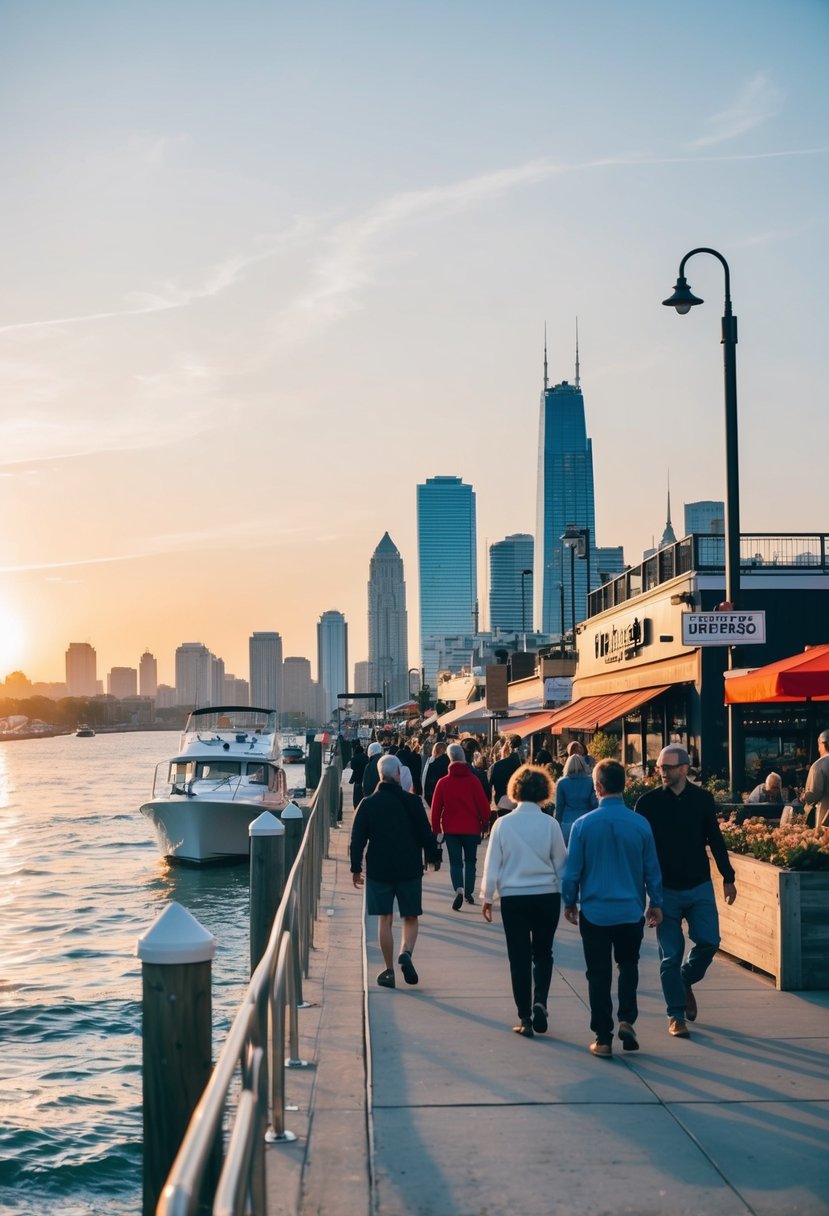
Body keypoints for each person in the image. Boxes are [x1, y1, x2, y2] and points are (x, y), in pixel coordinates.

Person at [562, 760, 663, 1058]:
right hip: (630, 909)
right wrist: (656, 902)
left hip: (595, 911)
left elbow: (572, 872)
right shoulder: (641, 824)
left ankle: (603, 1037)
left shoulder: (582, 826)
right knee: (628, 965)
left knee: (598, 973)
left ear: (599, 787)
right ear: (624, 785)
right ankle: (627, 1018)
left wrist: (569, 901)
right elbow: (652, 870)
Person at [635, 745, 737, 1038]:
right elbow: (639, 849)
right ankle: (675, 1015)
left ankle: (685, 979)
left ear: (684, 768)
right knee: (671, 955)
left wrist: (728, 877)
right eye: (659, 768)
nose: (662, 773)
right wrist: (643, 891)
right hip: (664, 889)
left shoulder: (702, 799)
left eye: (667, 768)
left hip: (699, 884)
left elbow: (715, 839)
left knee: (709, 941)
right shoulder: (647, 803)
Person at [480, 765, 567, 1037]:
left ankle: (525, 1017)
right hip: (546, 896)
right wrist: (570, 896)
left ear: (514, 791)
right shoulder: (550, 824)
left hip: (514, 897)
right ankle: (540, 1000)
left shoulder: (503, 824)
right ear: (544, 792)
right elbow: (562, 864)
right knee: (543, 952)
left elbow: (493, 862)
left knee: (518, 957)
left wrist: (487, 896)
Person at [350, 754, 441, 988]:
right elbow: (425, 832)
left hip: (380, 868)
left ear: (381, 775)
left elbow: (357, 838)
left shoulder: (368, 803)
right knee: (411, 916)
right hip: (409, 866)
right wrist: (433, 857)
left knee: (385, 919)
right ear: (397, 775)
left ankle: (389, 971)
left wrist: (355, 868)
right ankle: (406, 953)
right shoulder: (412, 802)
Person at [431, 743, 491, 909]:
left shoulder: (443, 783)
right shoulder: (474, 781)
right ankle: (469, 892)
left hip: (451, 829)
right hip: (471, 828)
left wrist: (436, 830)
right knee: (470, 861)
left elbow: (435, 810)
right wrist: (485, 823)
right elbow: (484, 807)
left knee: (455, 862)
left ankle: (458, 888)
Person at [554, 753, 598, 843]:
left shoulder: (561, 783)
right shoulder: (590, 781)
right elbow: (594, 803)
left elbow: (559, 808)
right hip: (586, 821)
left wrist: (556, 825)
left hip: (567, 823)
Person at [489, 735, 523, 815]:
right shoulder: (523, 766)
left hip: (501, 801)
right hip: (519, 802)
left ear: (507, 745)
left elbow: (489, 786)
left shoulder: (497, 766)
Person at [803, 730, 829, 828]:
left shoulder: (819, 764)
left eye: (818, 744)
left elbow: (815, 793)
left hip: (824, 811)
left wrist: (803, 796)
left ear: (823, 743)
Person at [423, 740, 449, 806]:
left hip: (432, 794)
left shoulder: (431, 764)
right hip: (444, 795)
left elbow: (426, 780)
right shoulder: (449, 762)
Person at [348, 741, 369, 809]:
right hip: (364, 777)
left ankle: (356, 807)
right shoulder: (366, 757)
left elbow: (352, 767)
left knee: (356, 795)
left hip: (357, 778)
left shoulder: (355, 757)